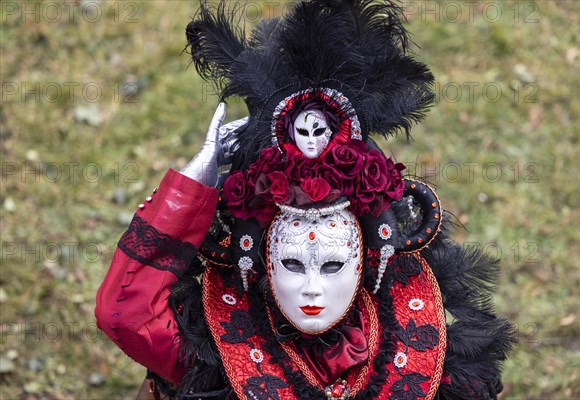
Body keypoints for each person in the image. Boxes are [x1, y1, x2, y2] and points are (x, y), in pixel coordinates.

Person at [96, 1, 515, 399]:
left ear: (365, 260)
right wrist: (190, 189)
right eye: (293, 263)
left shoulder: (423, 344)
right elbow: (125, 314)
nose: (312, 291)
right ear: (262, 258)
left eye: (333, 264)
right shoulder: (212, 349)